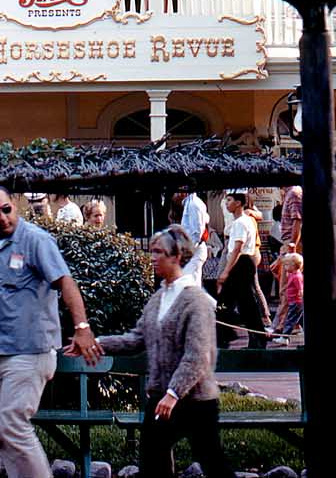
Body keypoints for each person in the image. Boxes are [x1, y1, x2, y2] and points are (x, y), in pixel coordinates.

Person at [0, 185, 99, 478]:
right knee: (2, 434)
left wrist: (82, 327)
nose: (4, 218)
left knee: (13, 426)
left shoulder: (36, 240)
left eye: (7, 209)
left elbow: (65, 282)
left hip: (31, 351)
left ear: (14, 205)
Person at [73, 224, 232, 478]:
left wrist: (173, 392)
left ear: (177, 256)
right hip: (161, 397)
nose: (153, 258)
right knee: (153, 459)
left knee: (212, 461)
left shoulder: (196, 301)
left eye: (159, 252)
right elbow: (136, 339)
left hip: (195, 400)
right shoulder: (158, 299)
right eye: (152, 251)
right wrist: (94, 343)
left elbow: (198, 354)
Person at [215, 192, 266, 349]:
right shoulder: (246, 221)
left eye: (229, 200)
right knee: (242, 302)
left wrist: (226, 271)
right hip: (244, 262)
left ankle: (226, 337)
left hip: (241, 262)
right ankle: (231, 336)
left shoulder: (240, 223)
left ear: (238, 203)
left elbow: (237, 248)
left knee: (230, 301)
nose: (227, 203)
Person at [270, 252, 305, 343]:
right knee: (296, 318)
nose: (284, 267)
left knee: (290, 319)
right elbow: (288, 284)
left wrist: (301, 294)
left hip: (296, 301)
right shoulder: (292, 275)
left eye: (286, 265)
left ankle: (285, 337)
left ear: (293, 266)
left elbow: (300, 287)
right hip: (293, 301)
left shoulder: (297, 276)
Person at [179, 188, 210, 278]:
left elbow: (197, 231)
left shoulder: (194, 204)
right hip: (191, 248)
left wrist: (190, 250)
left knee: (192, 281)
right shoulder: (189, 203)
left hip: (195, 249)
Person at [279, 185, 303, 254]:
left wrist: (292, 245)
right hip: (289, 241)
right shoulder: (290, 193)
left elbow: (297, 221)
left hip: (292, 242)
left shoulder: (294, 193)